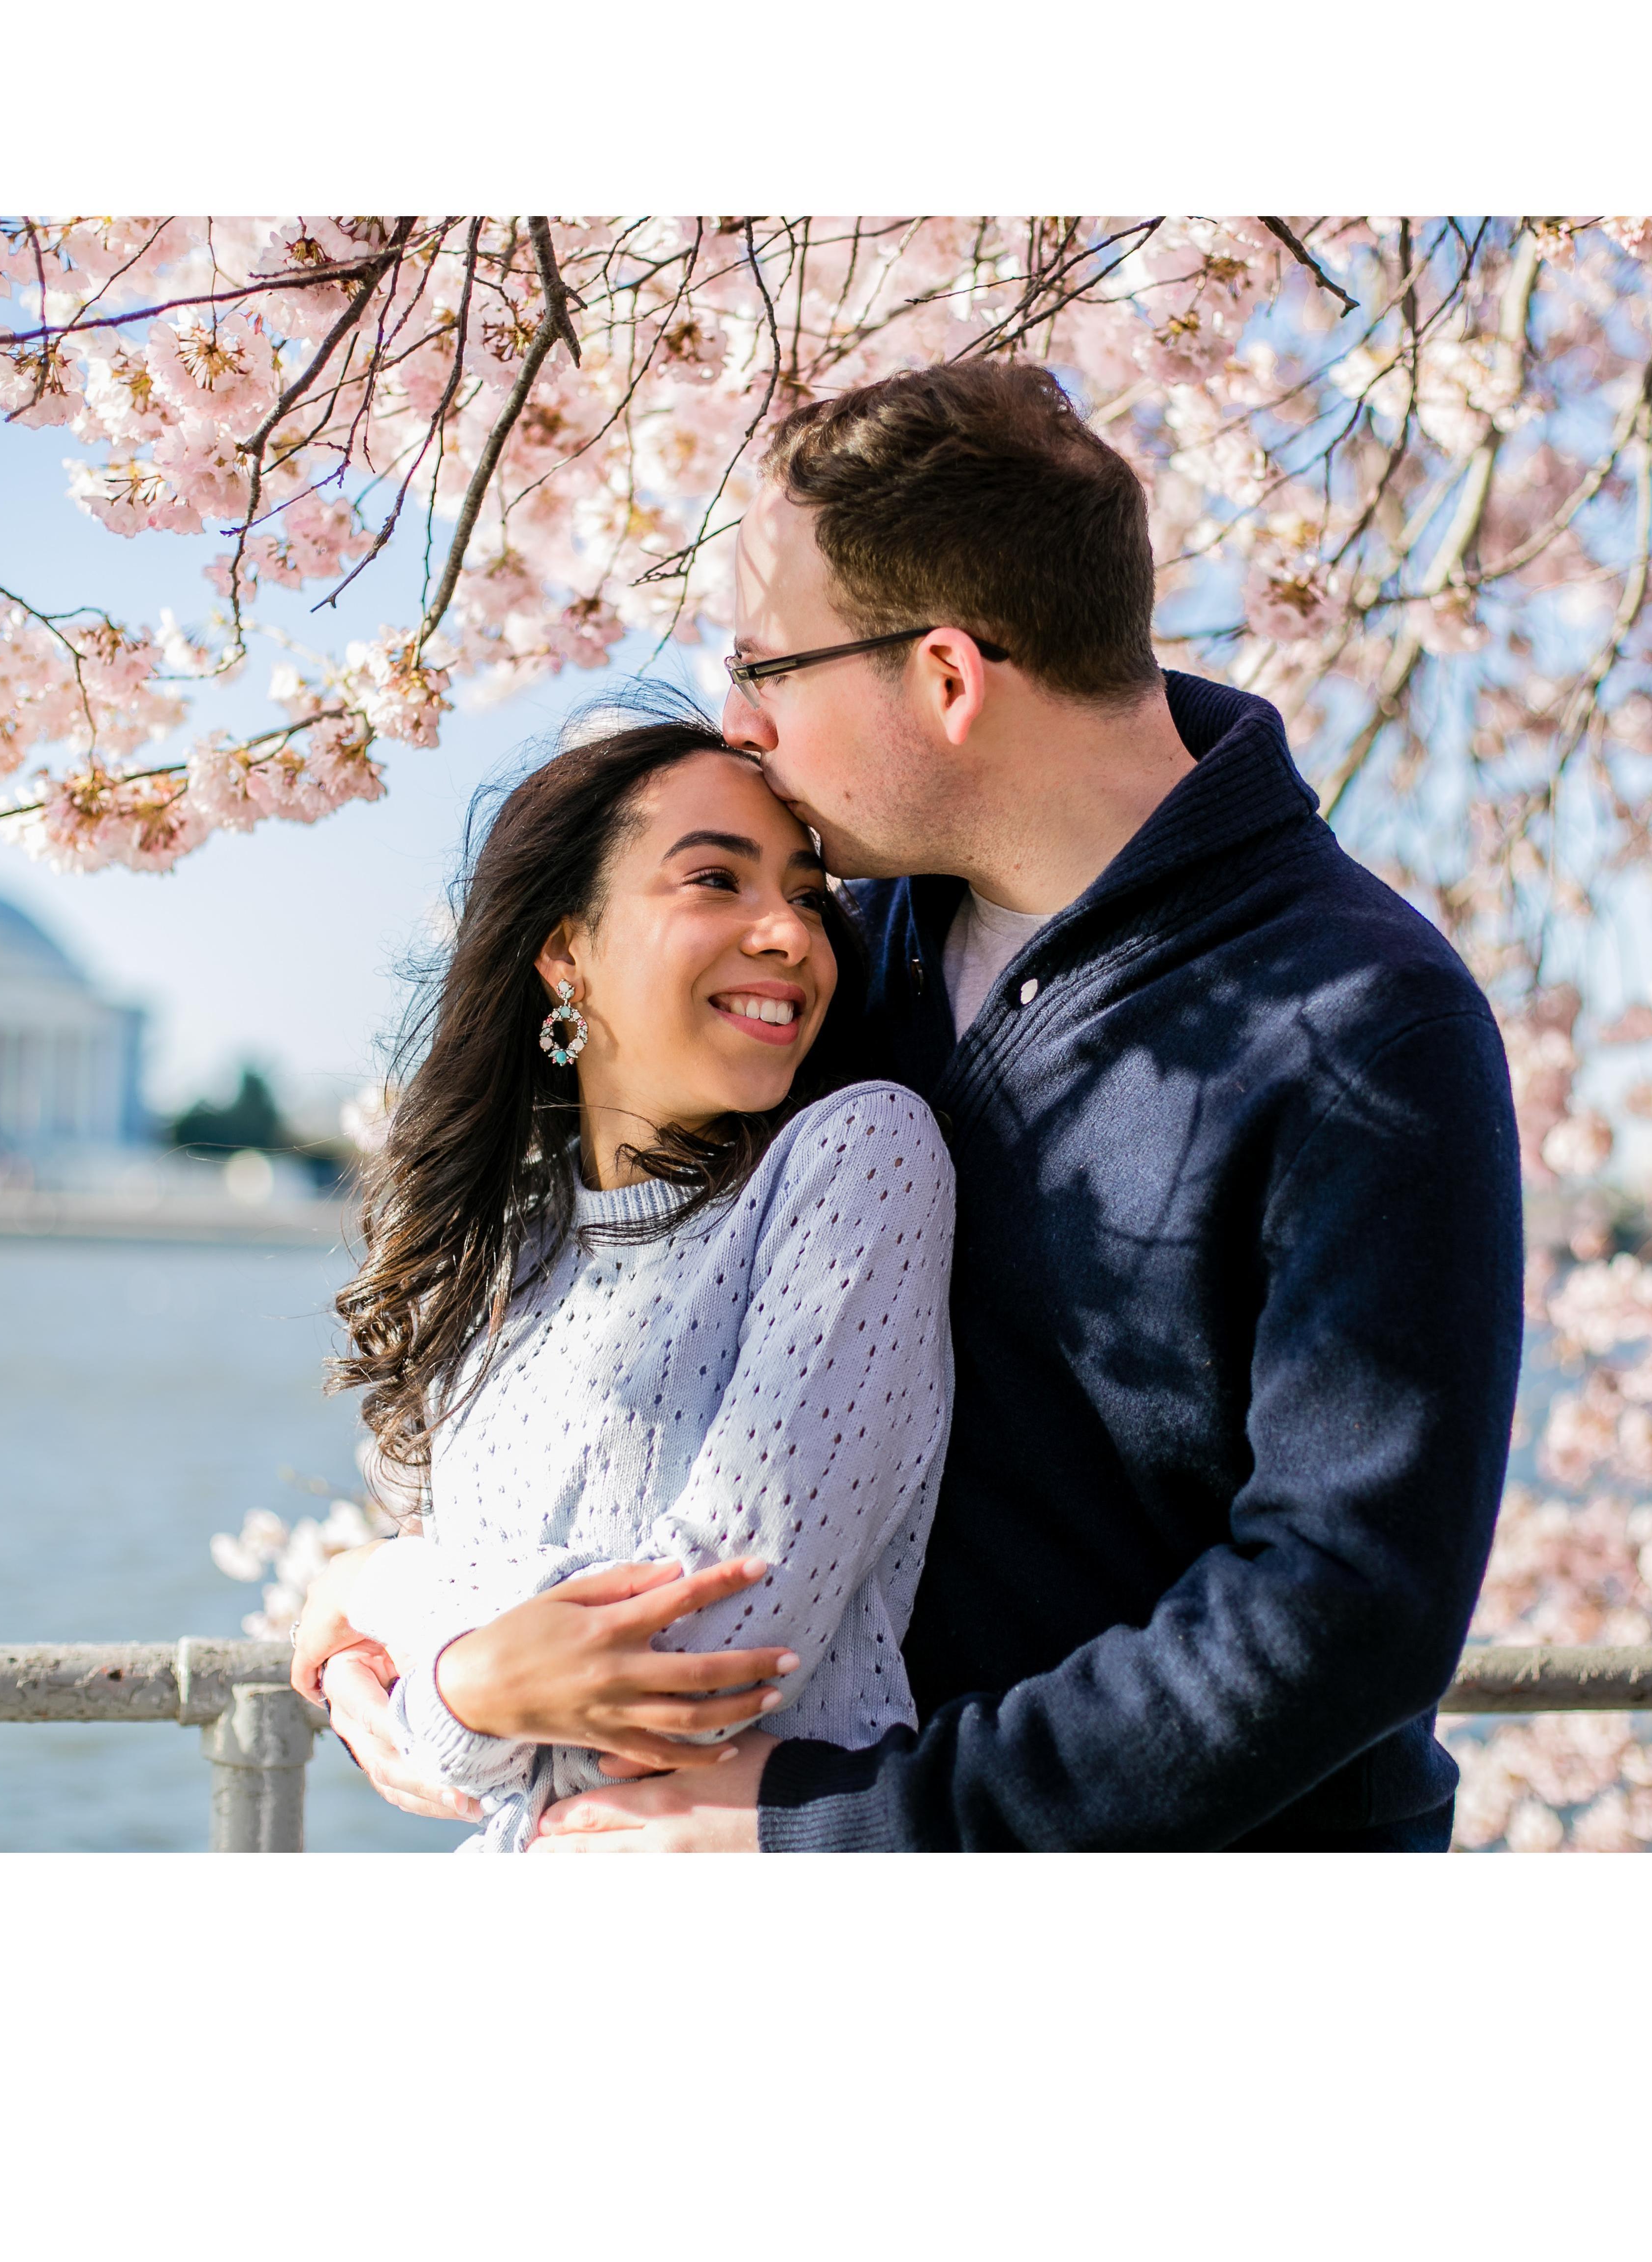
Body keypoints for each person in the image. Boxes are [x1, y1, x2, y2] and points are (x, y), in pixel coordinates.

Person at [300, 359, 1524, 1853]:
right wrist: (399, 1607)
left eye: (768, 669)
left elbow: (1346, 1607)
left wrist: (846, 1827)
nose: (738, 724)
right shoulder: (843, 959)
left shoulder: (1358, 1022)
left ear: (945, 678)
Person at [296, 713, 954, 1852]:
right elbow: (447, 1734)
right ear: (566, 950)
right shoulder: (496, 1253)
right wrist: (424, 1667)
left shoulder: (861, 1157)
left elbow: (704, 1662)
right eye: (716, 879)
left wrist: (387, 1595)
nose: (791, 936)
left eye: (807, 897)